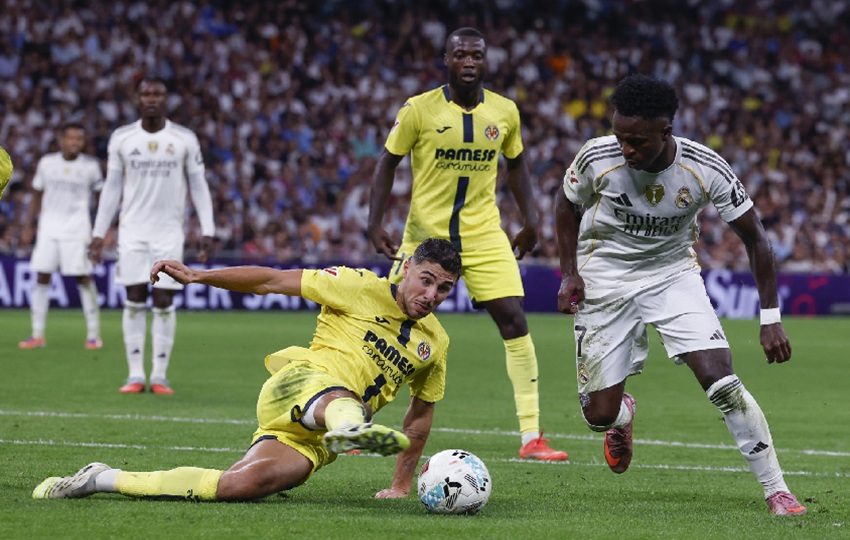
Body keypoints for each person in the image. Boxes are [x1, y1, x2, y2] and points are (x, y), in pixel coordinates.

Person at [32, 238, 461, 502]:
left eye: (443, 288)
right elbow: (269, 281)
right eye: (425, 279)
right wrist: (200, 276)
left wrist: (402, 484)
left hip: (308, 437)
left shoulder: (436, 342)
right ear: (406, 268)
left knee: (240, 486)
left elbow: (420, 416)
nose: (431, 294)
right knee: (344, 402)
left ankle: (101, 479)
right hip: (299, 384)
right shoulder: (356, 285)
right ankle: (349, 426)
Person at [554, 74, 806, 516]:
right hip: (605, 278)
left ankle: (777, 489)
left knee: (721, 380)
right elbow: (565, 206)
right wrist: (569, 274)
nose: (626, 149)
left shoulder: (705, 167)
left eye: (637, 141)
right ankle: (622, 417)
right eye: (620, 137)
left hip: (672, 275)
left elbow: (756, 238)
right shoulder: (597, 156)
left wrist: (770, 318)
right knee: (598, 415)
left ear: (665, 132)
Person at [368, 27, 567, 462]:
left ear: (486, 60)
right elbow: (388, 161)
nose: (469, 61)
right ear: (447, 59)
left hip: (483, 233)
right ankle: (361, 418)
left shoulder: (505, 111)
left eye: (476, 54)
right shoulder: (419, 108)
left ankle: (532, 437)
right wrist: (375, 222)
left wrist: (531, 221)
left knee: (514, 319)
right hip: (425, 235)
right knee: (389, 321)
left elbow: (517, 166)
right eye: (460, 55)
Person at [89, 77, 215, 395]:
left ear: (166, 98)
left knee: (163, 299)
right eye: (146, 93)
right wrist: (98, 232)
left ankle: (159, 375)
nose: (151, 99)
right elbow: (112, 187)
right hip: (132, 230)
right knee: (133, 298)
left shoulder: (184, 139)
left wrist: (208, 228)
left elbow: (199, 185)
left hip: (169, 231)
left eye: (157, 93)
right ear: (137, 98)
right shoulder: (122, 138)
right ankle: (134, 375)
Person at [18, 123, 104, 350]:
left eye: (80, 138)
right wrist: (28, 226)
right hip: (48, 228)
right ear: (61, 139)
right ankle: (37, 334)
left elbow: (102, 198)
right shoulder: (47, 163)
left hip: (77, 230)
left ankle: (94, 335)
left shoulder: (90, 166)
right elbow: (36, 195)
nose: (75, 142)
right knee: (42, 277)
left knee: (83, 277)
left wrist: (102, 230)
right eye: (71, 138)